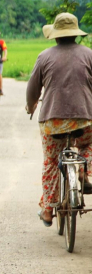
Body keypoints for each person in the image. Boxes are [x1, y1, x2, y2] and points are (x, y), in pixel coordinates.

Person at [25, 13, 92, 227]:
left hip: (53, 121)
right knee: (88, 144)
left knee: (52, 161)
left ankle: (47, 209)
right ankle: (84, 170)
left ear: (55, 36)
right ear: (75, 35)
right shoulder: (89, 55)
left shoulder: (44, 57)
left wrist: (32, 104)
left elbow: (32, 89)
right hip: (85, 119)